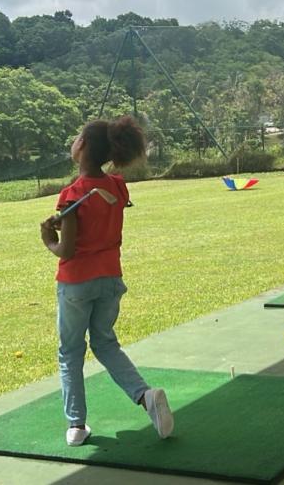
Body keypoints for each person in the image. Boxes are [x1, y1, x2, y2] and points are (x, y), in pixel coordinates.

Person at [40, 116, 174, 446]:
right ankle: (144, 396)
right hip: (110, 278)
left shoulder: (72, 195)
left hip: (76, 283)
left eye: (76, 137)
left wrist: (47, 237)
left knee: (70, 352)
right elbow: (100, 205)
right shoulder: (116, 185)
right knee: (104, 343)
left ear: (82, 146)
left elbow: (67, 249)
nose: (73, 141)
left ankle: (76, 425)